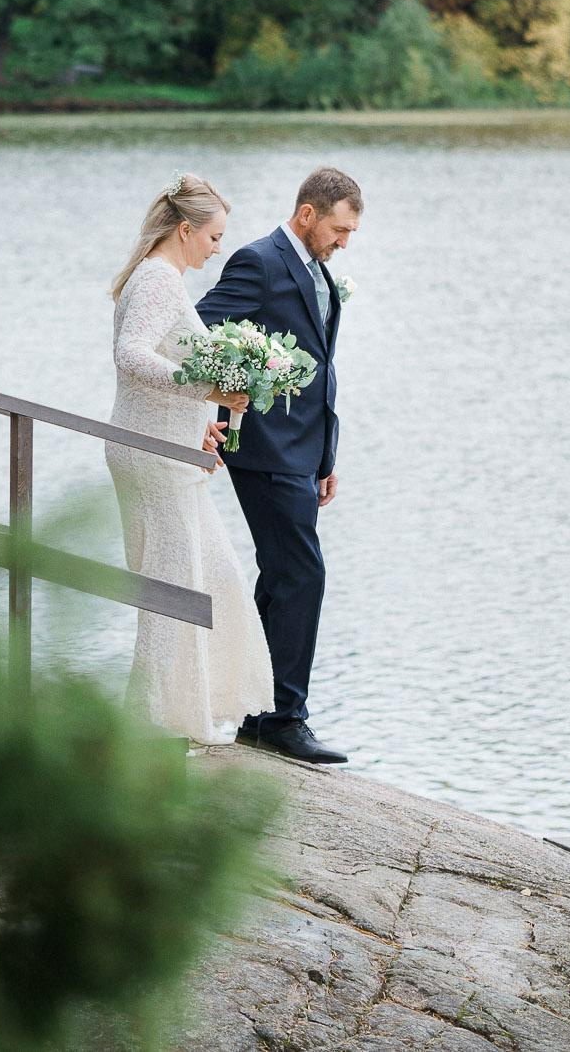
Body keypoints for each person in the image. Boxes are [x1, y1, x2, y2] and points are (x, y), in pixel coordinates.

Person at [197, 166, 361, 765]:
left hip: (304, 450)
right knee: (302, 573)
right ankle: (285, 717)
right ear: (307, 214)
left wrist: (325, 456)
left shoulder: (318, 270)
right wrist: (233, 393)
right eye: (339, 230)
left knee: (282, 575)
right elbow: (200, 328)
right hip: (264, 447)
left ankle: (257, 712)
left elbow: (322, 366)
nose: (343, 242)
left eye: (350, 233)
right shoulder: (260, 261)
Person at [104, 174, 274, 744]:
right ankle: (154, 723)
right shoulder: (158, 279)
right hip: (152, 458)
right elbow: (131, 357)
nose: (218, 248)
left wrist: (197, 424)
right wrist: (208, 391)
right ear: (185, 229)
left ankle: (171, 714)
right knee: (176, 588)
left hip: (165, 450)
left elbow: (157, 365)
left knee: (209, 579)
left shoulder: (161, 278)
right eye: (214, 237)